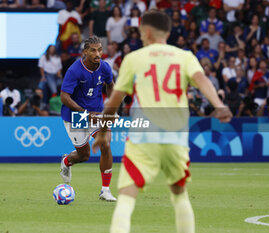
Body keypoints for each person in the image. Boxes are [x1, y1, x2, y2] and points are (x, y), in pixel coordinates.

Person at [92, 11, 232, 233]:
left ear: (146, 32)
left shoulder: (134, 58)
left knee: (127, 198)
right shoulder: (184, 56)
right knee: (179, 195)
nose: (140, 36)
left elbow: (114, 101)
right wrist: (219, 105)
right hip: (176, 137)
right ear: (167, 32)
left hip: (143, 138)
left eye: (140, 32)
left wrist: (102, 131)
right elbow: (201, 79)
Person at [59, 36, 116, 201]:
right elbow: (64, 97)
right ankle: (67, 160)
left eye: (100, 49)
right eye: (93, 50)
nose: (98, 53)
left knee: (105, 143)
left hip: (97, 113)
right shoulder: (74, 70)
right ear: (85, 52)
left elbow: (110, 85)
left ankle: (105, 190)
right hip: (75, 116)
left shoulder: (105, 67)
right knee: (84, 155)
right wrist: (84, 113)